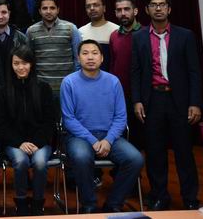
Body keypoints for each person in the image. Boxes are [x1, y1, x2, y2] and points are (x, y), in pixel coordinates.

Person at [131, 0, 202, 210]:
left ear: (169, 9)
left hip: (179, 100)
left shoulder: (185, 36)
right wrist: (137, 100)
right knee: (154, 152)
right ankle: (159, 196)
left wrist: (195, 102)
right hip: (152, 100)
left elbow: (194, 72)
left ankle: (190, 198)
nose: (158, 8)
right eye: (154, 5)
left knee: (184, 152)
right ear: (147, 10)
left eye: (162, 5)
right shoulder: (139, 37)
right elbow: (135, 72)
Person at [61, 40, 143, 213]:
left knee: (135, 159)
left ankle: (113, 203)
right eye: (85, 53)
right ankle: (89, 204)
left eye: (94, 53)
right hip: (80, 137)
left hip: (109, 136)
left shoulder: (113, 82)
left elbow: (121, 117)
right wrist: (92, 140)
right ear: (78, 58)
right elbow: (68, 119)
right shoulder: (69, 82)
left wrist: (108, 140)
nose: (90, 57)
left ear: (102, 57)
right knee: (81, 157)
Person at [0, 47, 55, 216]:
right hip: (14, 143)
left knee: (40, 162)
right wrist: (19, 143)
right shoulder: (3, 91)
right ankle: (21, 201)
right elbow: (2, 125)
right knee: (21, 161)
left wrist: (36, 142)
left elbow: (50, 122)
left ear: (32, 64)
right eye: (16, 63)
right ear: (11, 65)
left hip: (40, 142)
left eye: (25, 63)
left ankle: (37, 202)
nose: (21, 67)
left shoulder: (44, 88)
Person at [25, 0, 80, 100]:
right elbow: (29, 60)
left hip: (67, 87)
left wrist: (74, 81)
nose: (48, 11)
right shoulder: (31, 31)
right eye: (44, 8)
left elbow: (78, 59)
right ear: (39, 11)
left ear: (58, 10)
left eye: (52, 8)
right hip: (41, 88)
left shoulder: (71, 28)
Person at [109, 0, 141, 103]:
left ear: (135, 11)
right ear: (115, 13)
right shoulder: (113, 36)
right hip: (119, 92)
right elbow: (113, 64)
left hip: (141, 93)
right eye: (119, 10)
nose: (123, 13)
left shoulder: (146, 34)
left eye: (126, 9)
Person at [79, 0, 119, 71]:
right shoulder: (80, 32)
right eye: (88, 6)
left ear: (104, 8)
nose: (92, 8)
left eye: (96, 5)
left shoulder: (116, 30)